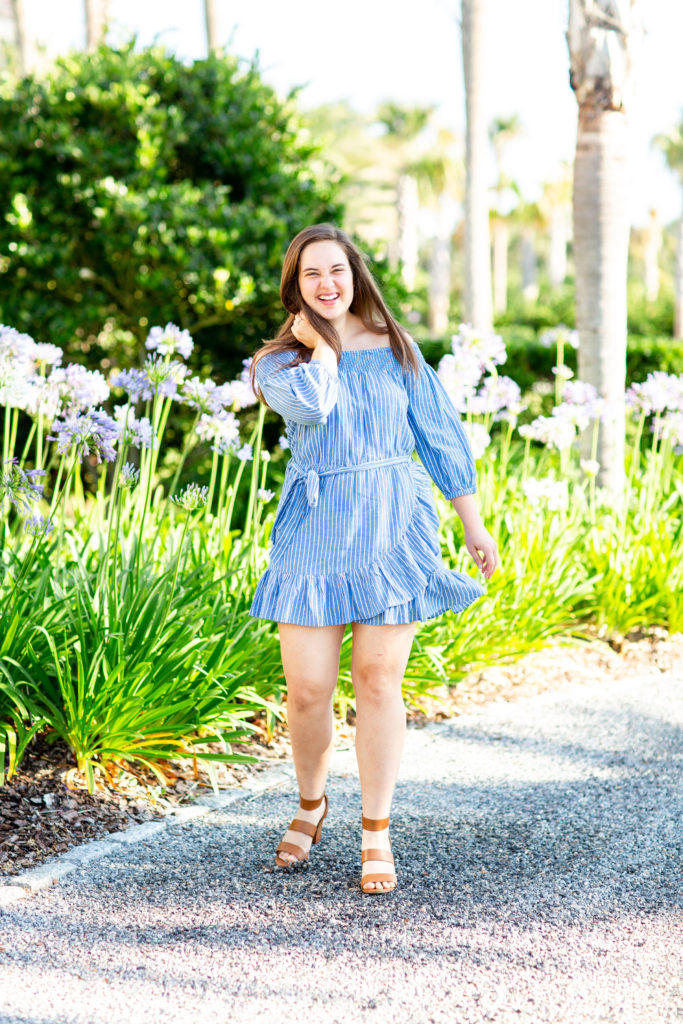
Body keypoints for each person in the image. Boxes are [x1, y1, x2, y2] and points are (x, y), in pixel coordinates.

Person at [248, 224, 498, 894]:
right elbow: (318, 405)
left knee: (378, 677)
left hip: (393, 522)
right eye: (310, 276)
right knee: (307, 690)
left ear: (354, 273)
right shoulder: (277, 365)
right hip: (314, 528)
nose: (327, 284)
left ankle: (375, 829)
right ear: (294, 290)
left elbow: (439, 436)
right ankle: (310, 804)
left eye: (336, 270)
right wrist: (320, 349)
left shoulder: (396, 348)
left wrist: (471, 525)